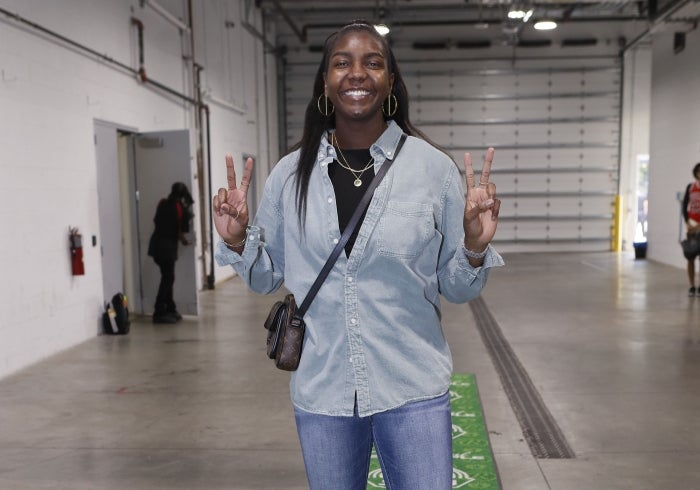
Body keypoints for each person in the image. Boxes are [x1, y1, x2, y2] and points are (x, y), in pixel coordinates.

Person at [212, 20, 504, 489]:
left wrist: (473, 245)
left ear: (390, 81)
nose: (357, 73)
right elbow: (266, 277)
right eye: (342, 62)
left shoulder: (433, 170)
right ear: (326, 83)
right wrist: (235, 239)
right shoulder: (290, 176)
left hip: (412, 387)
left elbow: (456, 287)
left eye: (373, 62)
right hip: (324, 391)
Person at [147, 182, 193, 323]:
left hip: (156, 245)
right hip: (167, 248)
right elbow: (181, 230)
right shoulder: (180, 208)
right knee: (168, 278)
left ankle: (170, 308)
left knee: (167, 277)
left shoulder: (162, 203)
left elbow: (157, 221)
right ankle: (159, 310)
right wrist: (184, 240)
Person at [682, 162, 700, 296]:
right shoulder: (690, 187)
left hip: (699, 226)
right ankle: (692, 286)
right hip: (691, 226)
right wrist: (687, 222)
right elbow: (684, 207)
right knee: (690, 257)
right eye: (699, 171)